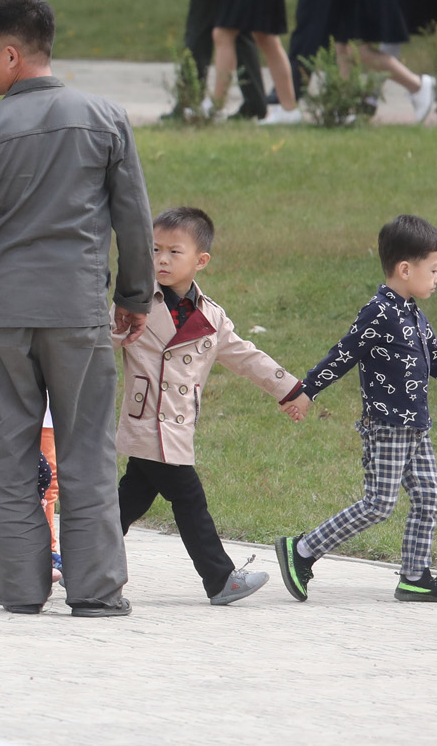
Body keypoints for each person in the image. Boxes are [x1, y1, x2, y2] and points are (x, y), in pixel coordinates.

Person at [0, 0, 154, 618]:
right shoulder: (106, 119)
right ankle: (98, 590)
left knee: (6, 454)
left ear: (10, 54)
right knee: (86, 451)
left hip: (0, 319)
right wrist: (135, 296)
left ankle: (21, 588)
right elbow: (134, 221)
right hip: (79, 311)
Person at [278, 214, 437, 605]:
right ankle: (303, 550)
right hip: (389, 426)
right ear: (405, 269)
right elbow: (343, 354)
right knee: (378, 504)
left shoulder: (412, 314)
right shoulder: (378, 312)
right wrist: (307, 391)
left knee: (429, 494)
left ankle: (414, 576)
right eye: (435, 270)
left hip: (416, 428)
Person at [112, 207, 292, 605]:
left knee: (124, 505)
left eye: (175, 252)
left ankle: (81, 563)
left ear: (201, 261)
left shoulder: (211, 316)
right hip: (148, 424)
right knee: (189, 499)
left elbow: (246, 356)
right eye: (155, 249)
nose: (161, 259)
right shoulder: (134, 302)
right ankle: (220, 578)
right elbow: (95, 345)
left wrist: (289, 388)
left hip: (176, 427)